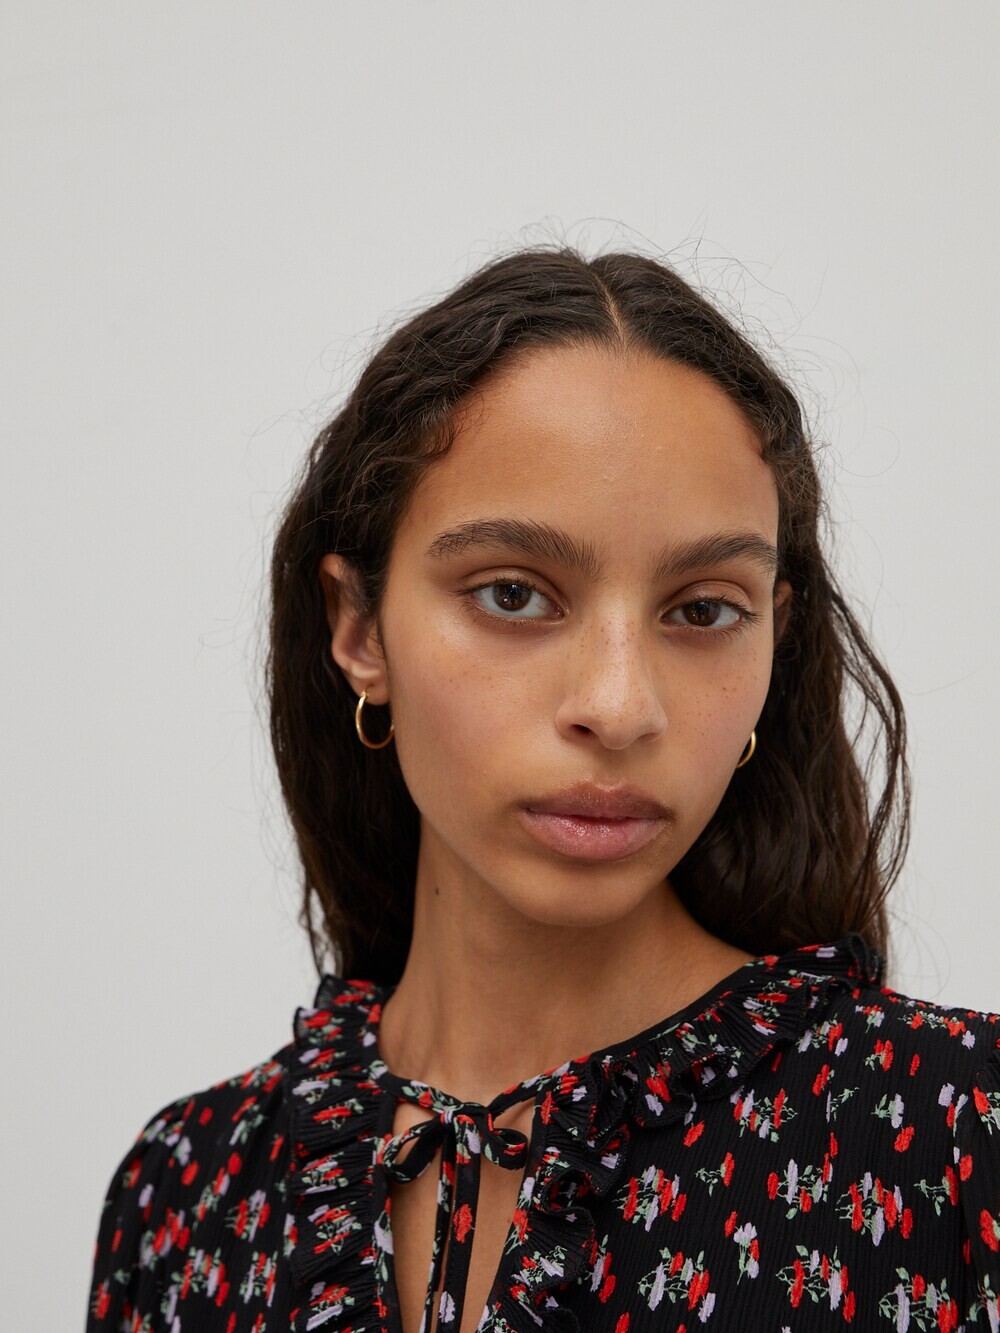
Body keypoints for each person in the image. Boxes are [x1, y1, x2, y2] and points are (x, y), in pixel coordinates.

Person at [85, 247, 1000, 1333]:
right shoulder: (184, 1197)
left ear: (775, 639)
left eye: (703, 610)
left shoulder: (961, 1132)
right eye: (513, 594)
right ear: (360, 628)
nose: (618, 706)